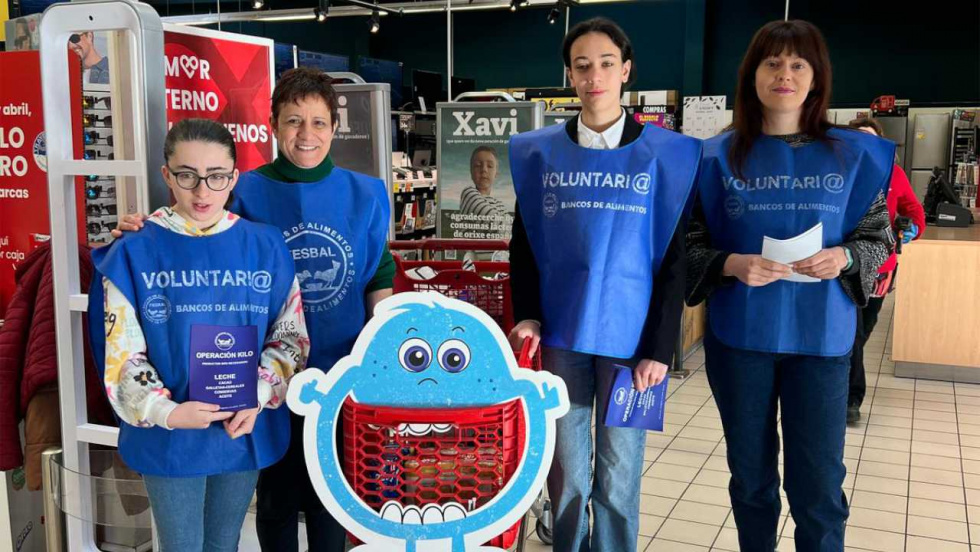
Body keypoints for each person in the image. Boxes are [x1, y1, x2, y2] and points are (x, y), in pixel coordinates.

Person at [116, 67, 394, 551]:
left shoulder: (366, 194)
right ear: (273, 125)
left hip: (339, 371)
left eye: (319, 122)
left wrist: (381, 356)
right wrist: (144, 228)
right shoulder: (243, 190)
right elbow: (198, 233)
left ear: (334, 126)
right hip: (245, 375)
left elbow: (379, 273)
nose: (306, 134)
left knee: (334, 497)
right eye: (293, 121)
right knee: (276, 496)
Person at [686, 20, 896, 551]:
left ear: (816, 76)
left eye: (798, 64)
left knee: (819, 486)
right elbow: (686, 245)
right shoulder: (712, 158)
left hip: (822, 341)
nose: (785, 74)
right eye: (772, 62)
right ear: (752, 74)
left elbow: (880, 238)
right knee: (751, 479)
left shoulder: (852, 156)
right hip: (741, 341)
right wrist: (730, 263)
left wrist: (846, 256)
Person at [508, 17, 701, 552]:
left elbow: (675, 260)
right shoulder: (540, 154)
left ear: (626, 71)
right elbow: (524, 243)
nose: (594, 76)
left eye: (606, 64)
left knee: (619, 471)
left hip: (632, 345)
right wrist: (527, 313)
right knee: (567, 470)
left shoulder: (664, 156)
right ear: (570, 76)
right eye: (582, 66)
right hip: (562, 336)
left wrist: (661, 348)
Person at [90, 118, 309, 551]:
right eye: (187, 175)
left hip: (240, 423)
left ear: (234, 177)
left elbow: (290, 336)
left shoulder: (265, 247)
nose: (202, 191)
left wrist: (259, 392)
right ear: (167, 175)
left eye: (216, 176)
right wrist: (166, 411)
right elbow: (122, 351)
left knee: (225, 543)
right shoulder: (135, 249)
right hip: (170, 432)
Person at [845, 117, 925, 424]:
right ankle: (851, 399)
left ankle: (843, 380)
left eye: (871, 139)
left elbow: (913, 209)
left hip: (881, 268)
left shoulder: (894, 174)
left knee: (863, 331)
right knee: (852, 335)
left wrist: (913, 227)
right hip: (845, 267)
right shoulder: (836, 173)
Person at [459, 145, 509, 218]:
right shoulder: (468, 194)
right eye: (478, 165)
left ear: (496, 173)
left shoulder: (500, 205)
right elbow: (495, 221)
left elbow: (509, 224)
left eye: (490, 166)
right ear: (471, 172)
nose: (484, 169)